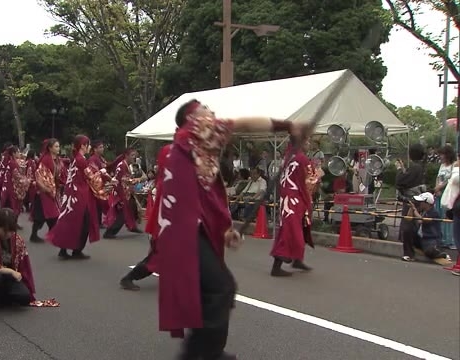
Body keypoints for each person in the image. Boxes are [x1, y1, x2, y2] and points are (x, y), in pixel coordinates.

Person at [156, 99, 306, 359]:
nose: (212, 113)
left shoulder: (192, 151)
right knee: (221, 287)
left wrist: (224, 230)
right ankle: (200, 354)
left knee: (213, 293)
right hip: (182, 235)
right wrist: (288, 125)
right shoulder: (191, 135)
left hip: (184, 232)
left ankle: (209, 350)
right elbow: (244, 123)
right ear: (193, 119)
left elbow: (206, 199)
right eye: (205, 109)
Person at [120, 143, 171, 290]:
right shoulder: (166, 181)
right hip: (164, 227)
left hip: (169, 227)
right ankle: (128, 278)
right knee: (155, 260)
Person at [47, 135, 107, 260]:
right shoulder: (81, 160)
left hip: (74, 195)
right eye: (88, 144)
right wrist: (102, 173)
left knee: (71, 221)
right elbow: (90, 176)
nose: (89, 147)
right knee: (82, 222)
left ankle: (67, 249)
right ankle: (75, 250)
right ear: (83, 146)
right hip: (79, 196)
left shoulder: (77, 158)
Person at [270, 140, 324, 276]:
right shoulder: (302, 158)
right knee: (290, 232)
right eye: (306, 141)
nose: (308, 144)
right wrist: (319, 173)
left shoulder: (288, 157)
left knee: (299, 227)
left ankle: (297, 259)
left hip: (288, 196)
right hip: (295, 198)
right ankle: (276, 267)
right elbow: (311, 180)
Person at [401, 192, 451, 263]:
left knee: (429, 252)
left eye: (421, 202)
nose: (419, 203)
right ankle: (408, 255)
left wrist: (414, 210)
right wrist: (412, 208)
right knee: (407, 230)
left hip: (431, 239)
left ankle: (442, 254)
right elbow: (408, 218)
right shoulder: (421, 210)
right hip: (421, 237)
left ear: (427, 203)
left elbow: (421, 221)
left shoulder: (434, 213)